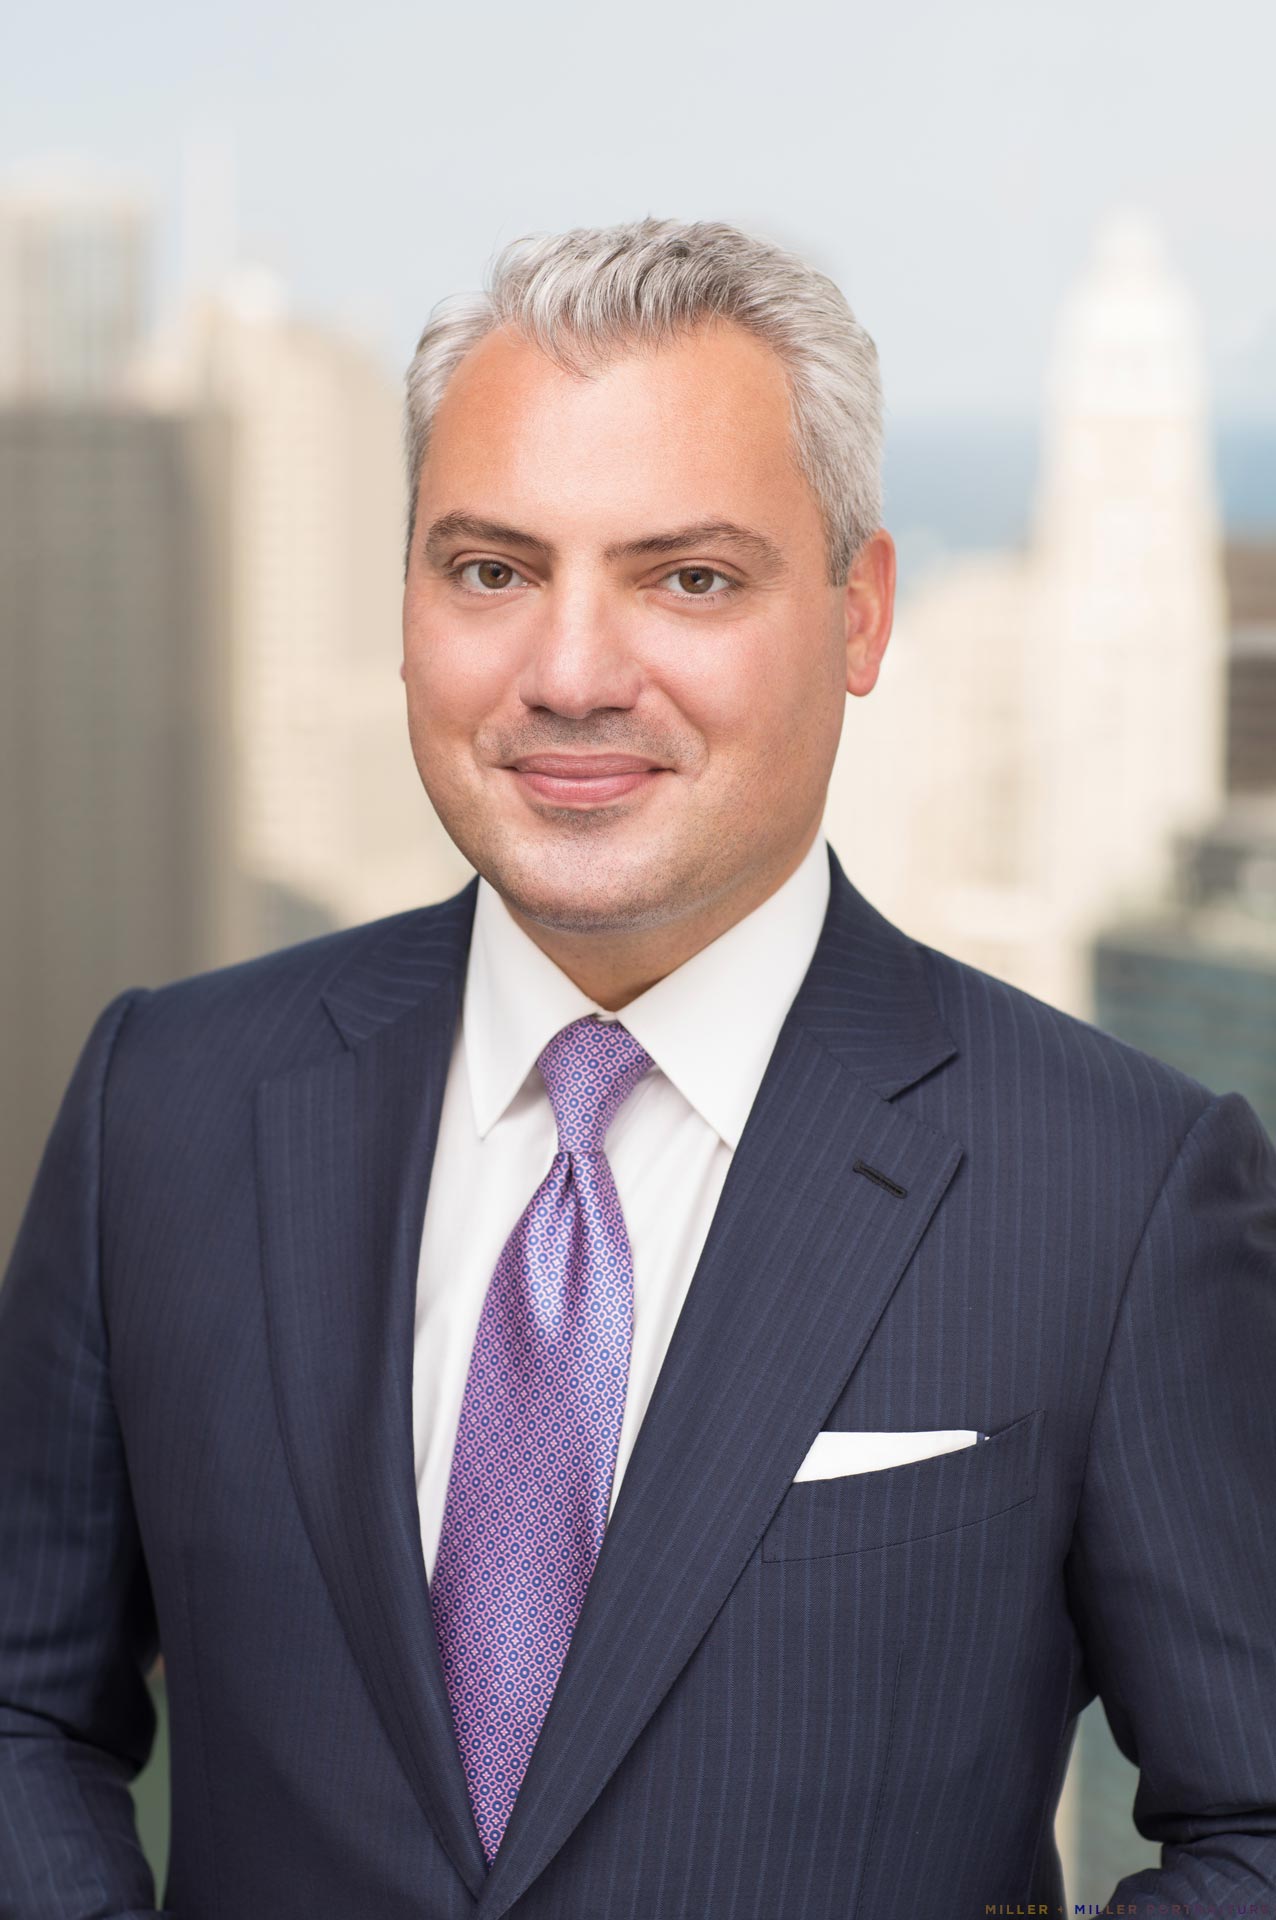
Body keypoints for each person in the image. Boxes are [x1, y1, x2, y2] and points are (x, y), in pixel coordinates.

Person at [1, 216, 1273, 1920]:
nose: (572, 674)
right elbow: (23, 1705)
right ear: (406, 607)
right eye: (491, 570)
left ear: (858, 612)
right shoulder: (166, 1102)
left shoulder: (1117, 1188)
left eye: (690, 577)